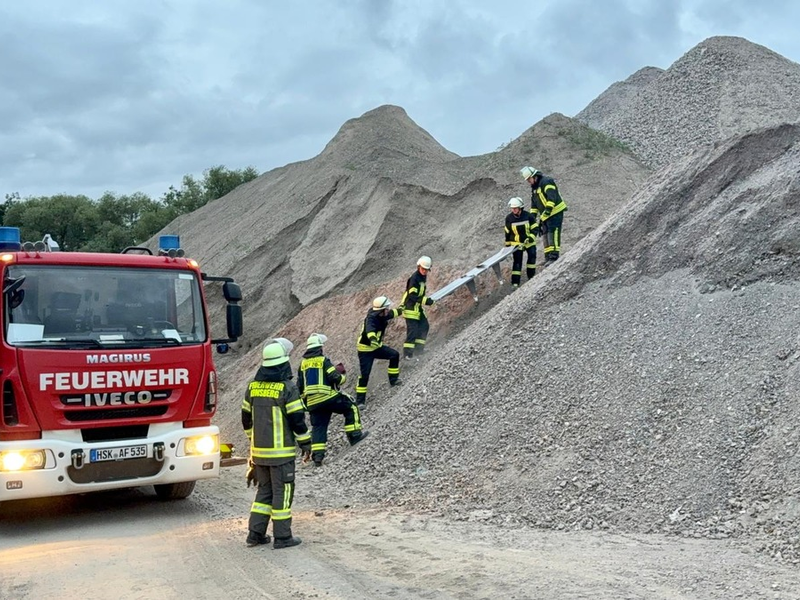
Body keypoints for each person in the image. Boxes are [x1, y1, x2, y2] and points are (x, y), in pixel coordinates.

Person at [242, 338, 311, 549]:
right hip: (281, 456)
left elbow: (246, 420)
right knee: (283, 493)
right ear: (283, 363)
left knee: (264, 492)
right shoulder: (287, 388)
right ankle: (283, 537)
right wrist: (306, 444)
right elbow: (297, 420)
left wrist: (253, 442)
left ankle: (255, 534)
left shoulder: (252, 388)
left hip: (259, 454)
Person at [297, 333, 369, 467]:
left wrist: (306, 403)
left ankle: (317, 457)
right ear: (320, 348)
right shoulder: (323, 360)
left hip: (313, 403)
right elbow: (335, 377)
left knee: (319, 427)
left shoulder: (302, 364)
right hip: (328, 398)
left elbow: (300, 385)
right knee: (351, 406)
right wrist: (342, 375)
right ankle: (354, 435)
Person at [355, 296, 403, 406]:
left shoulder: (383, 314)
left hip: (376, 347)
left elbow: (393, 313)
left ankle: (394, 380)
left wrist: (402, 309)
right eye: (387, 308)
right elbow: (370, 330)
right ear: (382, 310)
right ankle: (360, 402)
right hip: (365, 350)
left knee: (394, 355)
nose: (388, 310)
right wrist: (372, 339)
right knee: (364, 375)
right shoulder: (371, 318)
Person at [520, 166, 567, 264]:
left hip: (555, 212)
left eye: (529, 179)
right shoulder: (534, 188)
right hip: (546, 215)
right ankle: (548, 257)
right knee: (545, 234)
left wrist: (547, 211)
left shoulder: (546, 181)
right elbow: (534, 206)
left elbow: (552, 197)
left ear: (535, 176)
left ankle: (554, 257)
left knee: (552, 233)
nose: (528, 182)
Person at [401, 256, 435, 360]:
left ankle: (419, 350)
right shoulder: (414, 278)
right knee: (413, 331)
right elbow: (412, 296)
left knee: (424, 326)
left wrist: (425, 300)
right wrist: (425, 300)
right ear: (418, 266)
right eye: (423, 269)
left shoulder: (422, 278)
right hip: (410, 308)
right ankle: (407, 354)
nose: (425, 271)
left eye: (426, 269)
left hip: (417, 307)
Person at [504, 197, 538, 287]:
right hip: (516, 244)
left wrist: (530, 238)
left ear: (520, 208)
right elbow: (507, 233)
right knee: (517, 262)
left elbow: (535, 228)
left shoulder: (528, 216)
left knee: (532, 258)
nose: (513, 210)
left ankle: (531, 277)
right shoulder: (509, 218)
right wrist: (508, 246)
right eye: (512, 208)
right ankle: (515, 283)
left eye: (515, 208)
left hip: (529, 242)